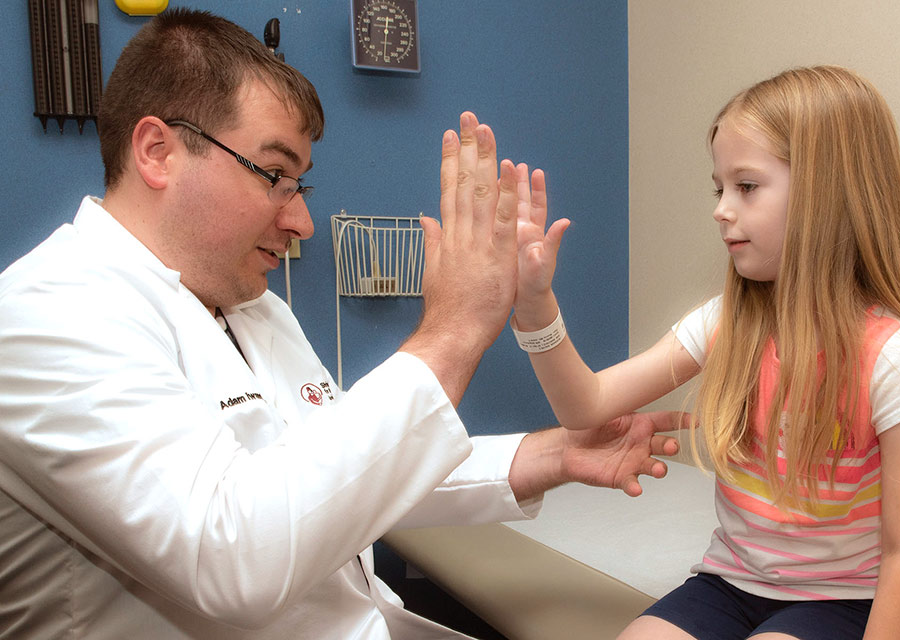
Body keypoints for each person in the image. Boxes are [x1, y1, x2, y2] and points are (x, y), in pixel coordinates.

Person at [0, 9, 682, 640]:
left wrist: (550, 455)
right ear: (157, 151)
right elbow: (233, 560)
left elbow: (336, 474)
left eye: (300, 185)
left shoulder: (250, 307)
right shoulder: (45, 315)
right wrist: (450, 333)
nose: (299, 222)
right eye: (273, 174)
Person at [512, 65, 900, 640]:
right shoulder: (727, 322)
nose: (721, 209)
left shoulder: (894, 362)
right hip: (726, 583)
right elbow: (586, 406)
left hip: (840, 599)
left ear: (829, 195)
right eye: (719, 188)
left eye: (746, 187)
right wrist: (535, 306)